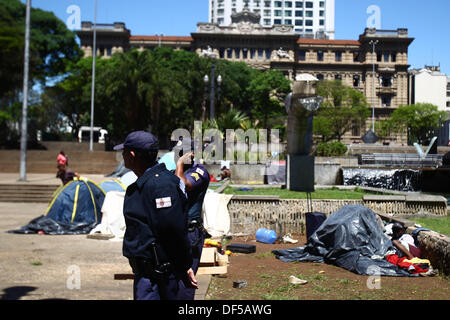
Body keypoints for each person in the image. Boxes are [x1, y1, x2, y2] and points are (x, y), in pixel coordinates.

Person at [113, 131, 197, 300]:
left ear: (131, 155)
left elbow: (172, 230)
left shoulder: (160, 185)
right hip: (148, 275)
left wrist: (183, 265)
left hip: (158, 278)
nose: (122, 156)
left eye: (123, 152)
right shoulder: (146, 183)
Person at [174, 138, 210, 300]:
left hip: (191, 232)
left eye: (183, 153)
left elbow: (185, 185)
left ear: (192, 154)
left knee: (185, 283)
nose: (179, 156)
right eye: (178, 152)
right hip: (176, 231)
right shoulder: (175, 171)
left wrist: (180, 164)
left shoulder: (199, 171)